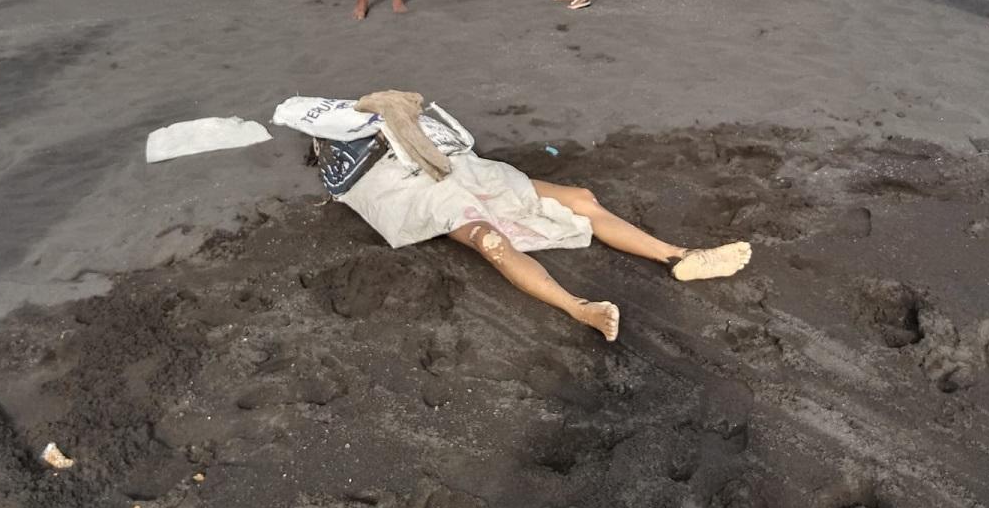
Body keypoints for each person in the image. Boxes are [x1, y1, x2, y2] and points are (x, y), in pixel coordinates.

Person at [290, 92, 753, 343]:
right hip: (420, 191)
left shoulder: (367, 117)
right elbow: (366, 189)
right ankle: (579, 308)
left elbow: (434, 130)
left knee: (581, 197)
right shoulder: (344, 157)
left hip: (458, 167)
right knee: (490, 241)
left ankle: (679, 256)